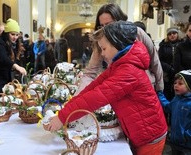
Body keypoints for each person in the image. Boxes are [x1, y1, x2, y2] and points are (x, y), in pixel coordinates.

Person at [46, 20, 168, 155]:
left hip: (150, 136)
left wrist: (62, 117)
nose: (102, 54)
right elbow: (92, 88)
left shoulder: (128, 71)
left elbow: (94, 98)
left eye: (104, 49)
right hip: (140, 131)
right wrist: (65, 112)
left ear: (117, 45)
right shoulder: (120, 65)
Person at [75, 3, 164, 95]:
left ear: (119, 21)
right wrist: (78, 96)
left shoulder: (137, 33)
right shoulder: (101, 40)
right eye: (102, 26)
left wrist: (159, 90)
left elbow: (155, 62)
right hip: (120, 90)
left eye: (109, 24)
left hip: (144, 89)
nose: (105, 29)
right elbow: (90, 72)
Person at [158, 70, 191, 155]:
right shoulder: (176, 99)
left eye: (180, 84)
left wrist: (186, 136)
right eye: (175, 83)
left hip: (187, 145)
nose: (176, 85)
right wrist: (160, 94)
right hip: (175, 142)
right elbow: (167, 107)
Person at [158, 27, 182, 101]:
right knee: (168, 93)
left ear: (177, 34)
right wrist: (169, 68)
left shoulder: (182, 44)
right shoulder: (163, 45)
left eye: (174, 33)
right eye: (170, 34)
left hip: (180, 72)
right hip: (167, 73)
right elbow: (159, 60)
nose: (172, 35)